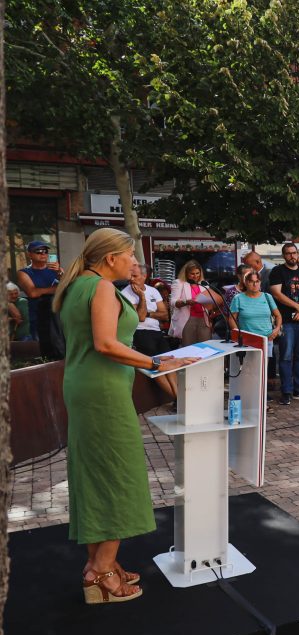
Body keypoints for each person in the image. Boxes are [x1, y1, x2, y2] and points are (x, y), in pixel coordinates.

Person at [55, 229, 198, 604]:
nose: (134, 262)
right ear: (109, 259)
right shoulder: (100, 288)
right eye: (129, 255)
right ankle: (100, 574)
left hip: (85, 387)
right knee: (119, 474)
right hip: (102, 391)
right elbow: (105, 343)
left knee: (95, 473)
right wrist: (157, 361)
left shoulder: (76, 285)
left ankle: (102, 562)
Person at [268, 243, 299, 405]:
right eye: (288, 253)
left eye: (294, 253)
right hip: (286, 321)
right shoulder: (277, 271)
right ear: (284, 255)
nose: (292, 256)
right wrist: (298, 307)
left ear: (298, 254)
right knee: (286, 356)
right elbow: (276, 293)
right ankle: (286, 391)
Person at [15, 240, 63, 357]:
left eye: (45, 251)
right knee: (42, 352)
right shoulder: (24, 272)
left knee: (61, 350)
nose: (43, 254)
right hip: (38, 318)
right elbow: (32, 293)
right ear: (29, 254)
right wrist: (58, 288)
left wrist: (61, 274)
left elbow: (69, 287)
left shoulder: (55, 271)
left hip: (59, 317)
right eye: (38, 251)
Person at [121, 264, 170, 357]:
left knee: (169, 357)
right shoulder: (125, 293)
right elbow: (141, 317)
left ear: (144, 276)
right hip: (139, 331)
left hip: (156, 330)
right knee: (151, 362)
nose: (131, 279)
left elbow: (165, 315)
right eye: (130, 276)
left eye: (135, 276)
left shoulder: (153, 291)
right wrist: (142, 296)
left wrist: (148, 313)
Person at [169, 260, 221, 347]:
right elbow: (173, 302)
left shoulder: (204, 284)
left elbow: (209, 302)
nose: (195, 276)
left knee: (205, 347)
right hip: (187, 320)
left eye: (197, 273)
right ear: (186, 273)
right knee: (188, 348)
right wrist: (187, 302)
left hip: (203, 319)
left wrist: (213, 307)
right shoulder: (179, 283)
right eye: (192, 274)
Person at [228, 268, 282, 343]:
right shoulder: (238, 298)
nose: (255, 284)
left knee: (267, 355)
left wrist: (277, 329)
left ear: (260, 282)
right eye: (251, 281)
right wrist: (239, 334)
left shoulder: (267, 296)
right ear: (245, 282)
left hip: (267, 339)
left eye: (257, 281)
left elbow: (278, 315)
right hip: (247, 339)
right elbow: (232, 319)